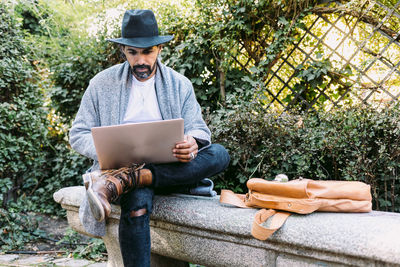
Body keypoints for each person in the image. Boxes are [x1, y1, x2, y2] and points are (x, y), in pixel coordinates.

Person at [69, 9, 230, 267]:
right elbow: (78, 134)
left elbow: (200, 131)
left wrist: (192, 143)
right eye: (133, 52)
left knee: (220, 153)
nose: (140, 60)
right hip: (121, 170)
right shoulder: (101, 84)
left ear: (160, 49)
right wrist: (104, 149)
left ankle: (129, 179)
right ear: (123, 50)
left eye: (148, 52)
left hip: (170, 170)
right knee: (138, 197)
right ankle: (130, 177)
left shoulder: (180, 84)